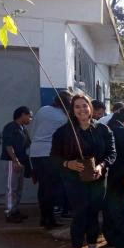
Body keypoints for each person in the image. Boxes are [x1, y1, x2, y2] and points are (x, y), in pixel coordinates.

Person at [51, 94, 116, 248]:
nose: (82, 109)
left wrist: (102, 166)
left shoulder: (103, 130)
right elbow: (54, 157)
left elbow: (111, 153)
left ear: (90, 108)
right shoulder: (63, 132)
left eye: (85, 105)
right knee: (80, 214)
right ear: (72, 110)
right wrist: (68, 163)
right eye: (77, 106)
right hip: (74, 180)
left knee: (94, 214)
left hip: (97, 179)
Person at [29, 90, 72, 228]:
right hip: (50, 153)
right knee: (52, 188)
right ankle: (50, 220)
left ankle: (44, 218)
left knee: (43, 186)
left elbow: (32, 131)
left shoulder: (43, 110)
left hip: (35, 152)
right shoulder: (64, 117)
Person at [1, 106, 33, 223]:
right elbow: (8, 145)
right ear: (22, 115)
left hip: (20, 161)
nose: (31, 119)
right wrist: (15, 161)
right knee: (11, 188)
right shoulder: (10, 127)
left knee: (18, 188)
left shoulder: (23, 129)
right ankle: (9, 213)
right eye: (29, 116)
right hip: (12, 162)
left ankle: (15, 210)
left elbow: (28, 144)